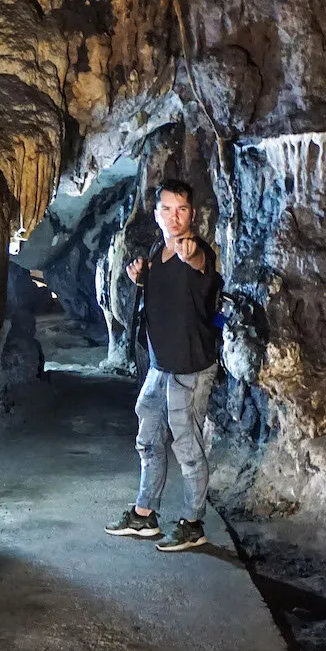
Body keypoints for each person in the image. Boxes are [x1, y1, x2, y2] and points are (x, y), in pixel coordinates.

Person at [104, 178, 222, 552]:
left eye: (182, 209)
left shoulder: (195, 250)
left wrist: (190, 255)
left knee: (188, 446)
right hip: (161, 365)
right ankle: (145, 515)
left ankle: (192, 522)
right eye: (167, 209)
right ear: (156, 213)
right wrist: (141, 277)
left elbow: (200, 264)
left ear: (192, 214)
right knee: (149, 438)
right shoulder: (158, 250)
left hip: (189, 367)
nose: (174, 217)